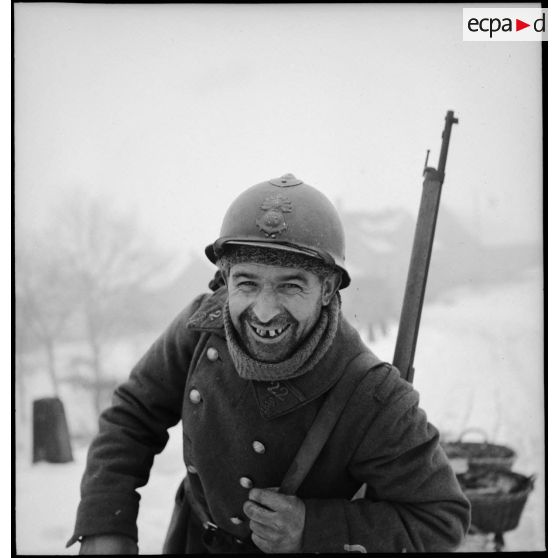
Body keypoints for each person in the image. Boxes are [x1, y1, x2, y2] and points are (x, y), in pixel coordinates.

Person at [68, 174, 470, 554]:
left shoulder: (371, 392)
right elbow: (132, 414)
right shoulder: (201, 326)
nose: (263, 312)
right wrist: (107, 522)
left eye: (291, 285)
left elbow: (442, 519)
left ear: (327, 288)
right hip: (194, 540)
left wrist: (311, 528)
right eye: (247, 283)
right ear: (225, 279)